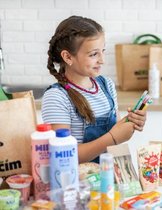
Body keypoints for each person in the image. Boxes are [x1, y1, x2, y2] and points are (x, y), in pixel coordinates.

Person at [42, 16, 147, 163]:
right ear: (67, 57)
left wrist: (130, 124)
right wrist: (113, 137)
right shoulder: (57, 97)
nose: (102, 60)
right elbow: (63, 155)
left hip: (108, 176)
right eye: (93, 54)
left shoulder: (107, 86)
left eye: (102, 51)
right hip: (79, 183)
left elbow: (115, 141)